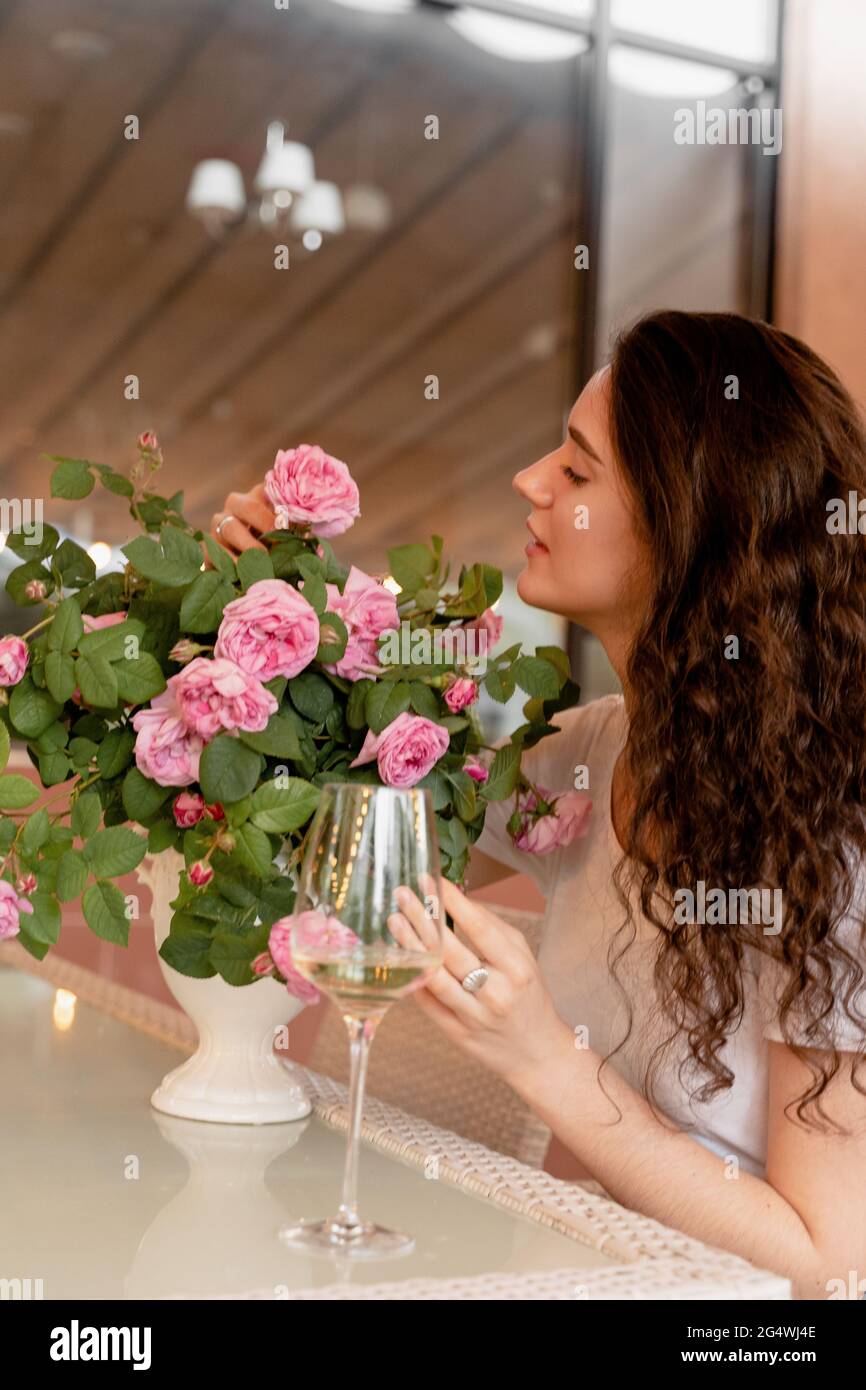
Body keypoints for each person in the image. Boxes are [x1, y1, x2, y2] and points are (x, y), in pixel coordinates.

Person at [213, 310, 866, 1299]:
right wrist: (277, 612)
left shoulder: (834, 842)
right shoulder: (593, 752)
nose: (529, 481)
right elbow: (360, 832)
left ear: (685, 522)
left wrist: (543, 1061)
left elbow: (831, 1265)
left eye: (575, 467)